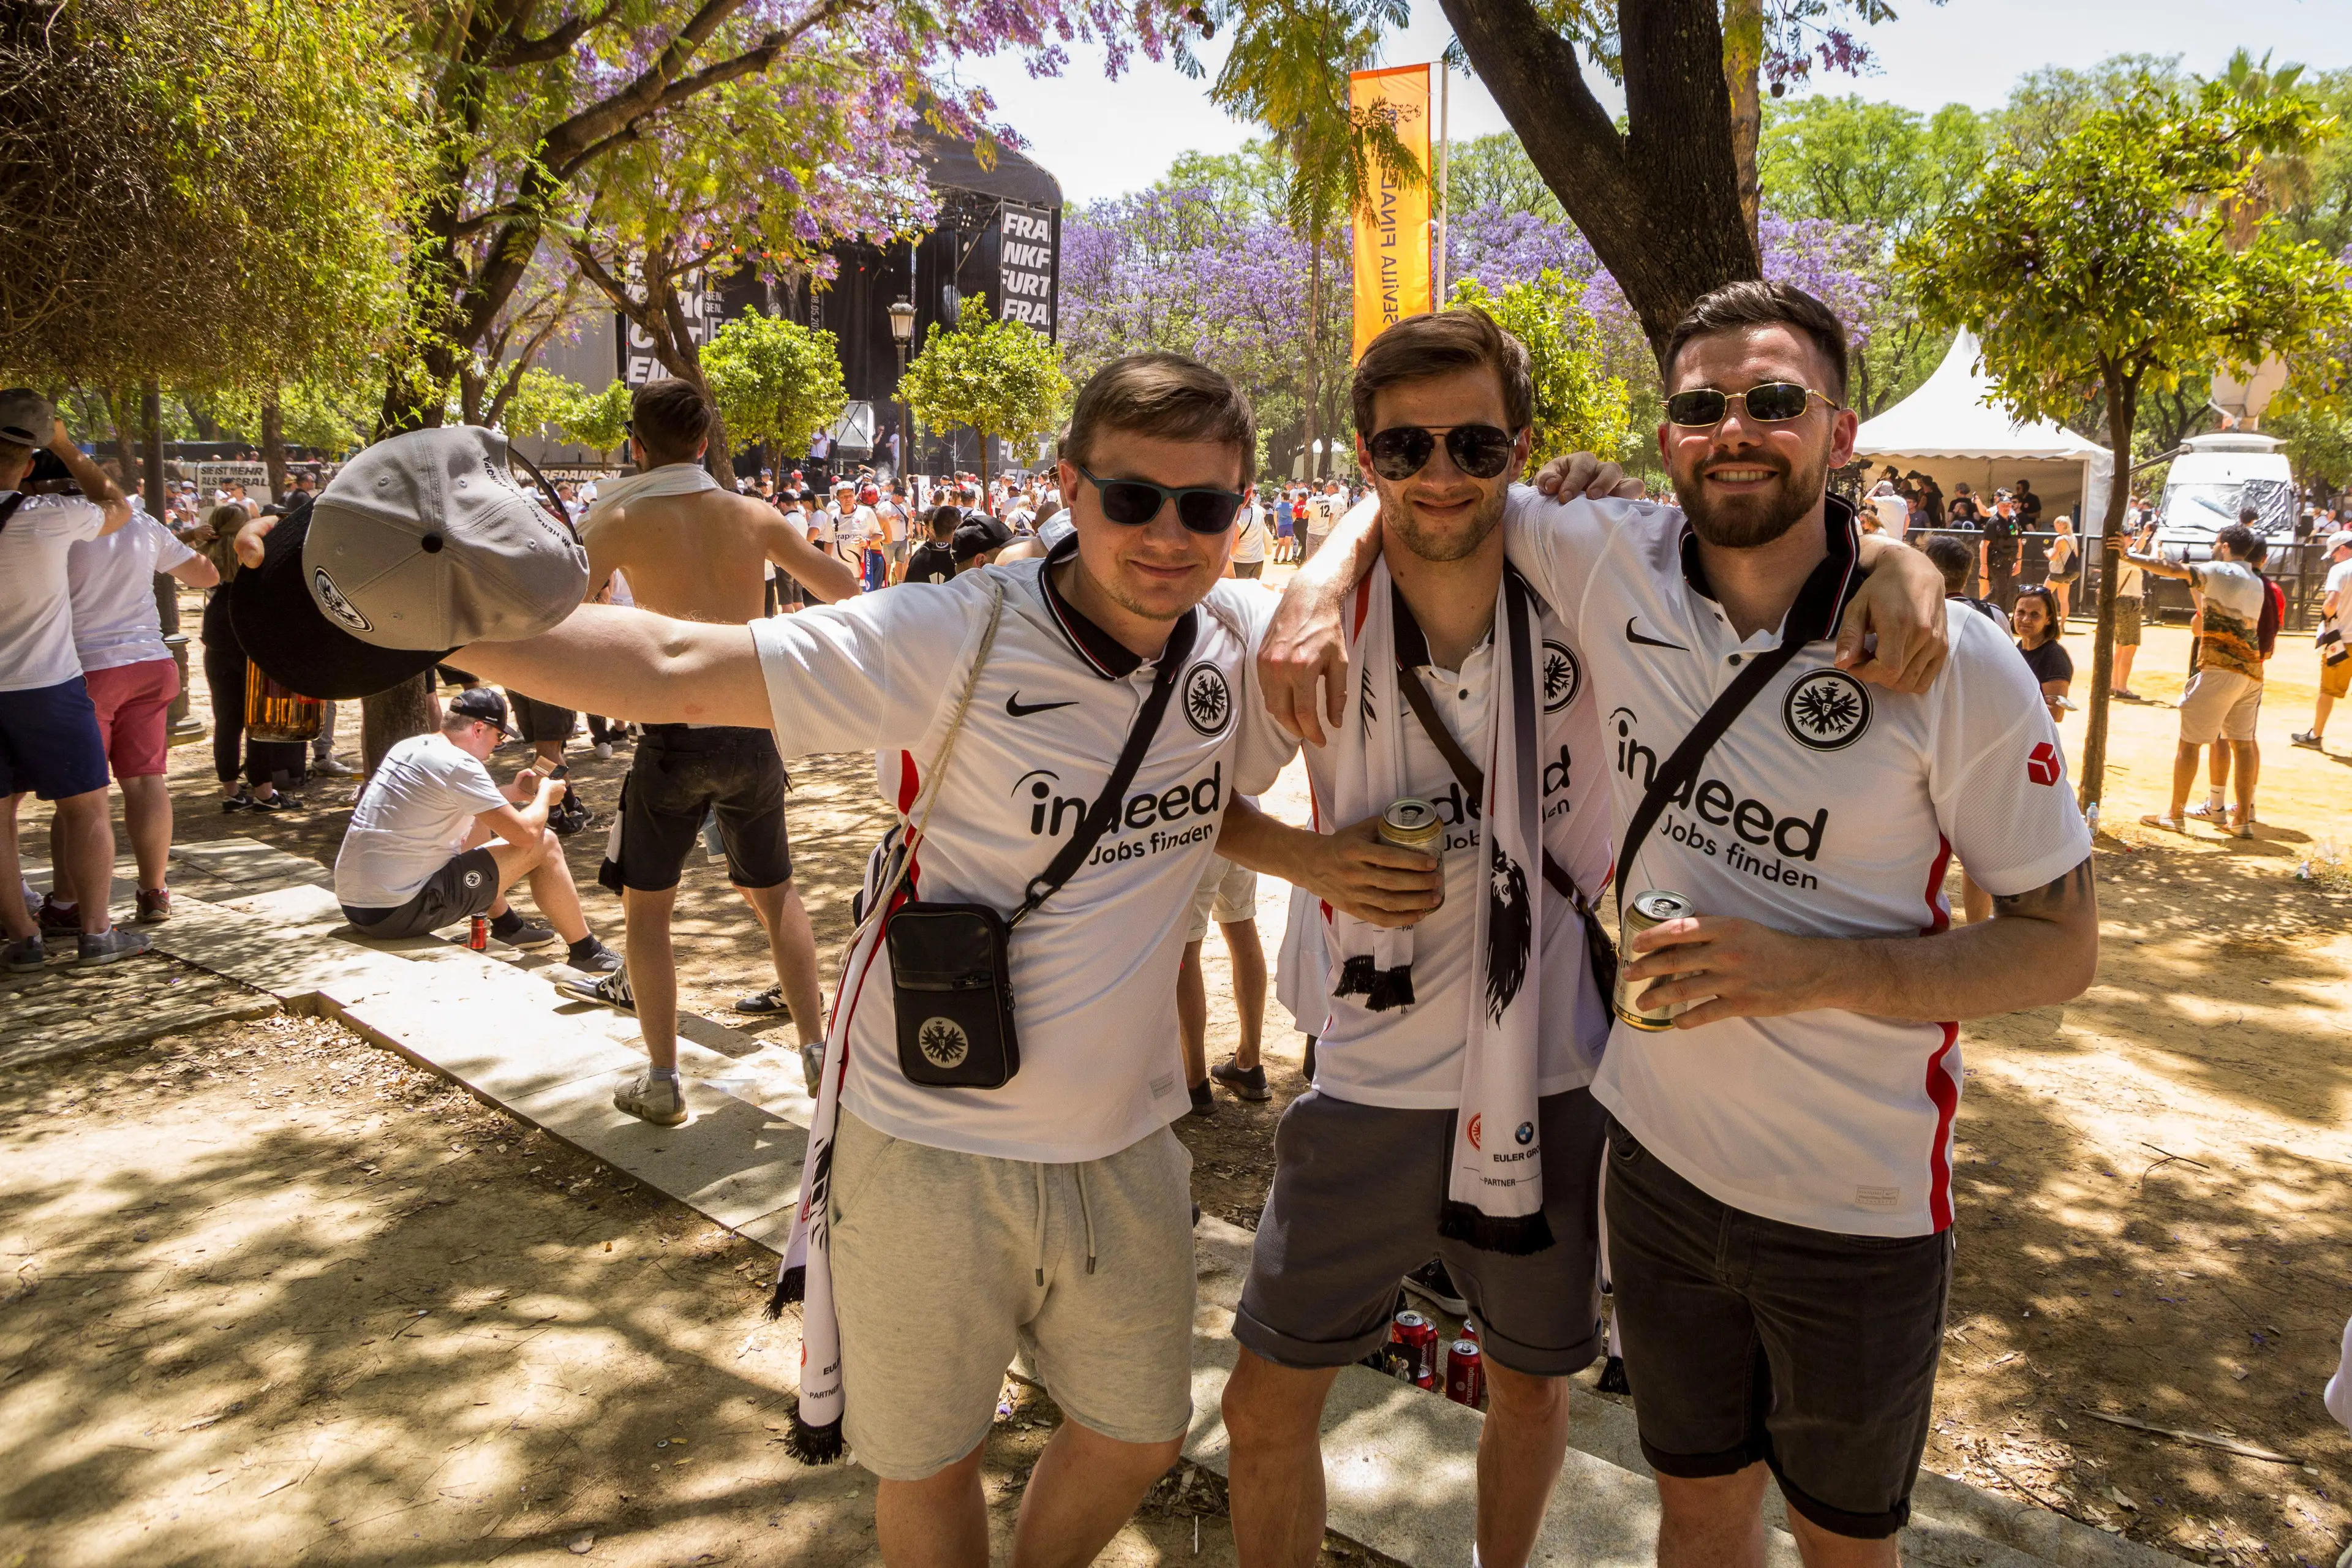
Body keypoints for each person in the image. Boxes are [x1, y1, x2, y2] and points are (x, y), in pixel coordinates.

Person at [1267, 280, 2095, 1558]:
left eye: (1774, 401)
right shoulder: (1610, 559)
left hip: (1856, 1199)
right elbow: (1428, 493)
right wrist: (1321, 574)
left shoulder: (1957, 658)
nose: (1736, 430)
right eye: (1701, 407)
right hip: (1650, 1166)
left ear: (1840, 427)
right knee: (1698, 1511)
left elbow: (2059, 944)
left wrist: (1797, 969)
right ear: (1665, 440)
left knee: (1840, 1537)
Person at [447, 352, 1303, 1568]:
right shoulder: (958, 630)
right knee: (932, 1454)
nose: (1170, 534)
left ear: (1243, 512)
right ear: (1069, 487)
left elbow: (1416, 610)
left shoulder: (1240, 643)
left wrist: (1319, 849)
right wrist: (447, 612)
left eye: (1207, 506)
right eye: (1133, 498)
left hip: (1125, 1142)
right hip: (929, 1140)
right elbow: (677, 663)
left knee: (1139, 1429)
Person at [557, 380, 859, 1120]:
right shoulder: (754, 514)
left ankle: (662, 1079)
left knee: (647, 911)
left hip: (668, 734)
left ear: (637, 445)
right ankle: (817, 1053)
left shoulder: (619, 517)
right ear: (703, 443)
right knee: (776, 891)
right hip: (752, 724)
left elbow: (557, 607)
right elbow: (845, 584)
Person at [0, 402, 151, 970]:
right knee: (86, 808)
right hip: (46, 685)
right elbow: (117, 505)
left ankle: (22, 940)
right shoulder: (46, 516)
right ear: (27, 461)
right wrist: (66, 446)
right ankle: (94, 933)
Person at [43, 480, 221, 930]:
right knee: (146, 781)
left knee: (81, 796)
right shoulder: (141, 523)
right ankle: (154, 890)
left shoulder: (53, 526)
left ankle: (67, 902)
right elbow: (206, 576)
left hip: (86, 667)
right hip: (150, 664)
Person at [336, 687, 619, 966]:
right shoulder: (460, 765)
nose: (498, 745)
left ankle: (508, 926)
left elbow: (454, 800)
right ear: (479, 729)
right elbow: (525, 835)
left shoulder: (412, 746)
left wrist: (515, 793)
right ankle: (586, 952)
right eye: (498, 736)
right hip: (396, 914)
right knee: (545, 843)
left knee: (477, 819)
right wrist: (546, 794)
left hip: (358, 906)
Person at [2132, 522, 2266, 837]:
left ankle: (2175, 814)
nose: (2215, 546)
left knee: (2189, 743)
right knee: (2243, 744)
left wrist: (2130, 556)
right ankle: (2242, 819)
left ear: (2227, 546)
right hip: (2251, 671)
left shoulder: (2223, 571)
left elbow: (2172, 568)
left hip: (2220, 669)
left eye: (2218, 542)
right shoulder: (2256, 581)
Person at [193, 503, 306, 813]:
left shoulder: (209, 560)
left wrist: (191, 533)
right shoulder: (255, 559)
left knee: (226, 722)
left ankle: (231, 791)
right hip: (251, 646)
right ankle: (264, 792)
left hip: (217, 644)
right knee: (259, 722)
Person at [1176, 849, 1270, 1116]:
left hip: (1197, 826)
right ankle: (1249, 1065)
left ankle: (1195, 1082)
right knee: (1242, 923)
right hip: (1241, 816)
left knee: (1186, 946)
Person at [2291, 528, 2352, 750]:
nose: (2334, 558)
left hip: (2343, 640)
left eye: (2335, 553)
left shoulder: (2341, 570)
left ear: (2344, 549)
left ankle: (2315, 736)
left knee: (2328, 690)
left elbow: (2330, 604)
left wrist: (2328, 620)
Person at [2013, 585, 2071, 726]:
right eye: (2021, 612)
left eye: (2035, 614)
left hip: (2034, 739)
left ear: (2048, 619)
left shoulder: (2054, 656)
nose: (2026, 619)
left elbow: (2055, 714)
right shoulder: (2017, 648)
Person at [2110, 517, 2152, 699]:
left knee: (2120, 647)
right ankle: (2122, 687)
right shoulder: (2125, 557)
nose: (2132, 540)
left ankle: (2115, 684)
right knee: (2129, 647)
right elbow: (2140, 553)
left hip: (2122, 602)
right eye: (2128, 537)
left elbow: (2138, 548)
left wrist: (2145, 534)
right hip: (2129, 604)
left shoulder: (2118, 555)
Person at [1980, 492, 2023, 613]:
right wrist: (1983, 566)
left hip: (2010, 561)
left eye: (2009, 505)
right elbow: (1984, 545)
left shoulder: (2014, 521)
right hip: (1996, 562)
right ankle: (2003, 617)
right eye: (2004, 505)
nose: (2007, 507)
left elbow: (2019, 542)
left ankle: (1977, 607)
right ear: (1998, 506)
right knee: (2002, 591)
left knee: (1998, 590)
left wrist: (2019, 562)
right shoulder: (1993, 522)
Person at [904, 504, 961, 584]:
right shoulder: (920, 557)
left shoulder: (959, 554)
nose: (942, 527)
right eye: (935, 526)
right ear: (927, 530)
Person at [2042, 514, 2078, 622]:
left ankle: (2045, 620)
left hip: (2057, 572)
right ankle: (2063, 623)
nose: (2056, 528)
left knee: (2043, 596)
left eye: (2056, 526)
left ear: (2061, 525)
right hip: (2068, 573)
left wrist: (2047, 553)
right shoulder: (2073, 538)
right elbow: (2076, 554)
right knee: (2063, 599)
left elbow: (2053, 557)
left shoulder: (2060, 539)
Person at [1229, 484, 1269, 579]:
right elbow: (1264, 512)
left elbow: (1235, 542)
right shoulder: (1258, 511)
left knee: (1240, 591)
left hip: (1242, 561)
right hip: (1258, 559)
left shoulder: (1239, 517)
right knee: (1253, 590)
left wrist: (1228, 559)